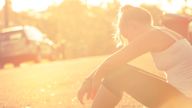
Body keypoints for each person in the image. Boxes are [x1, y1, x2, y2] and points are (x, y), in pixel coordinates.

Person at [77, 5, 192, 108]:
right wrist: (91, 79)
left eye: (127, 35)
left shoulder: (152, 36)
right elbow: (113, 63)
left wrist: (91, 81)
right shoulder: (162, 31)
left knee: (117, 75)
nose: (129, 41)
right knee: (118, 71)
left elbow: (111, 63)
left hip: (185, 101)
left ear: (133, 26)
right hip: (183, 98)